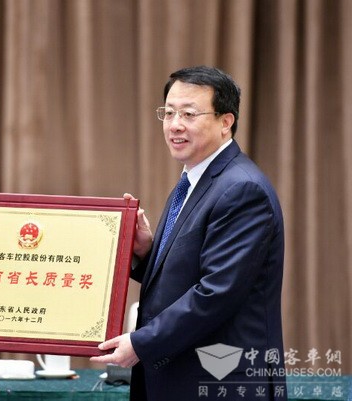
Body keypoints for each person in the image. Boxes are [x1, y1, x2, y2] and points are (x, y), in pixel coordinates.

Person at [91, 66, 287, 400]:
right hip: (180, 377)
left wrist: (141, 344)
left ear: (226, 122)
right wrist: (147, 252)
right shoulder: (195, 179)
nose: (175, 125)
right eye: (168, 113)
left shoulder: (242, 189)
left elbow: (217, 292)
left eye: (189, 114)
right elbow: (189, 271)